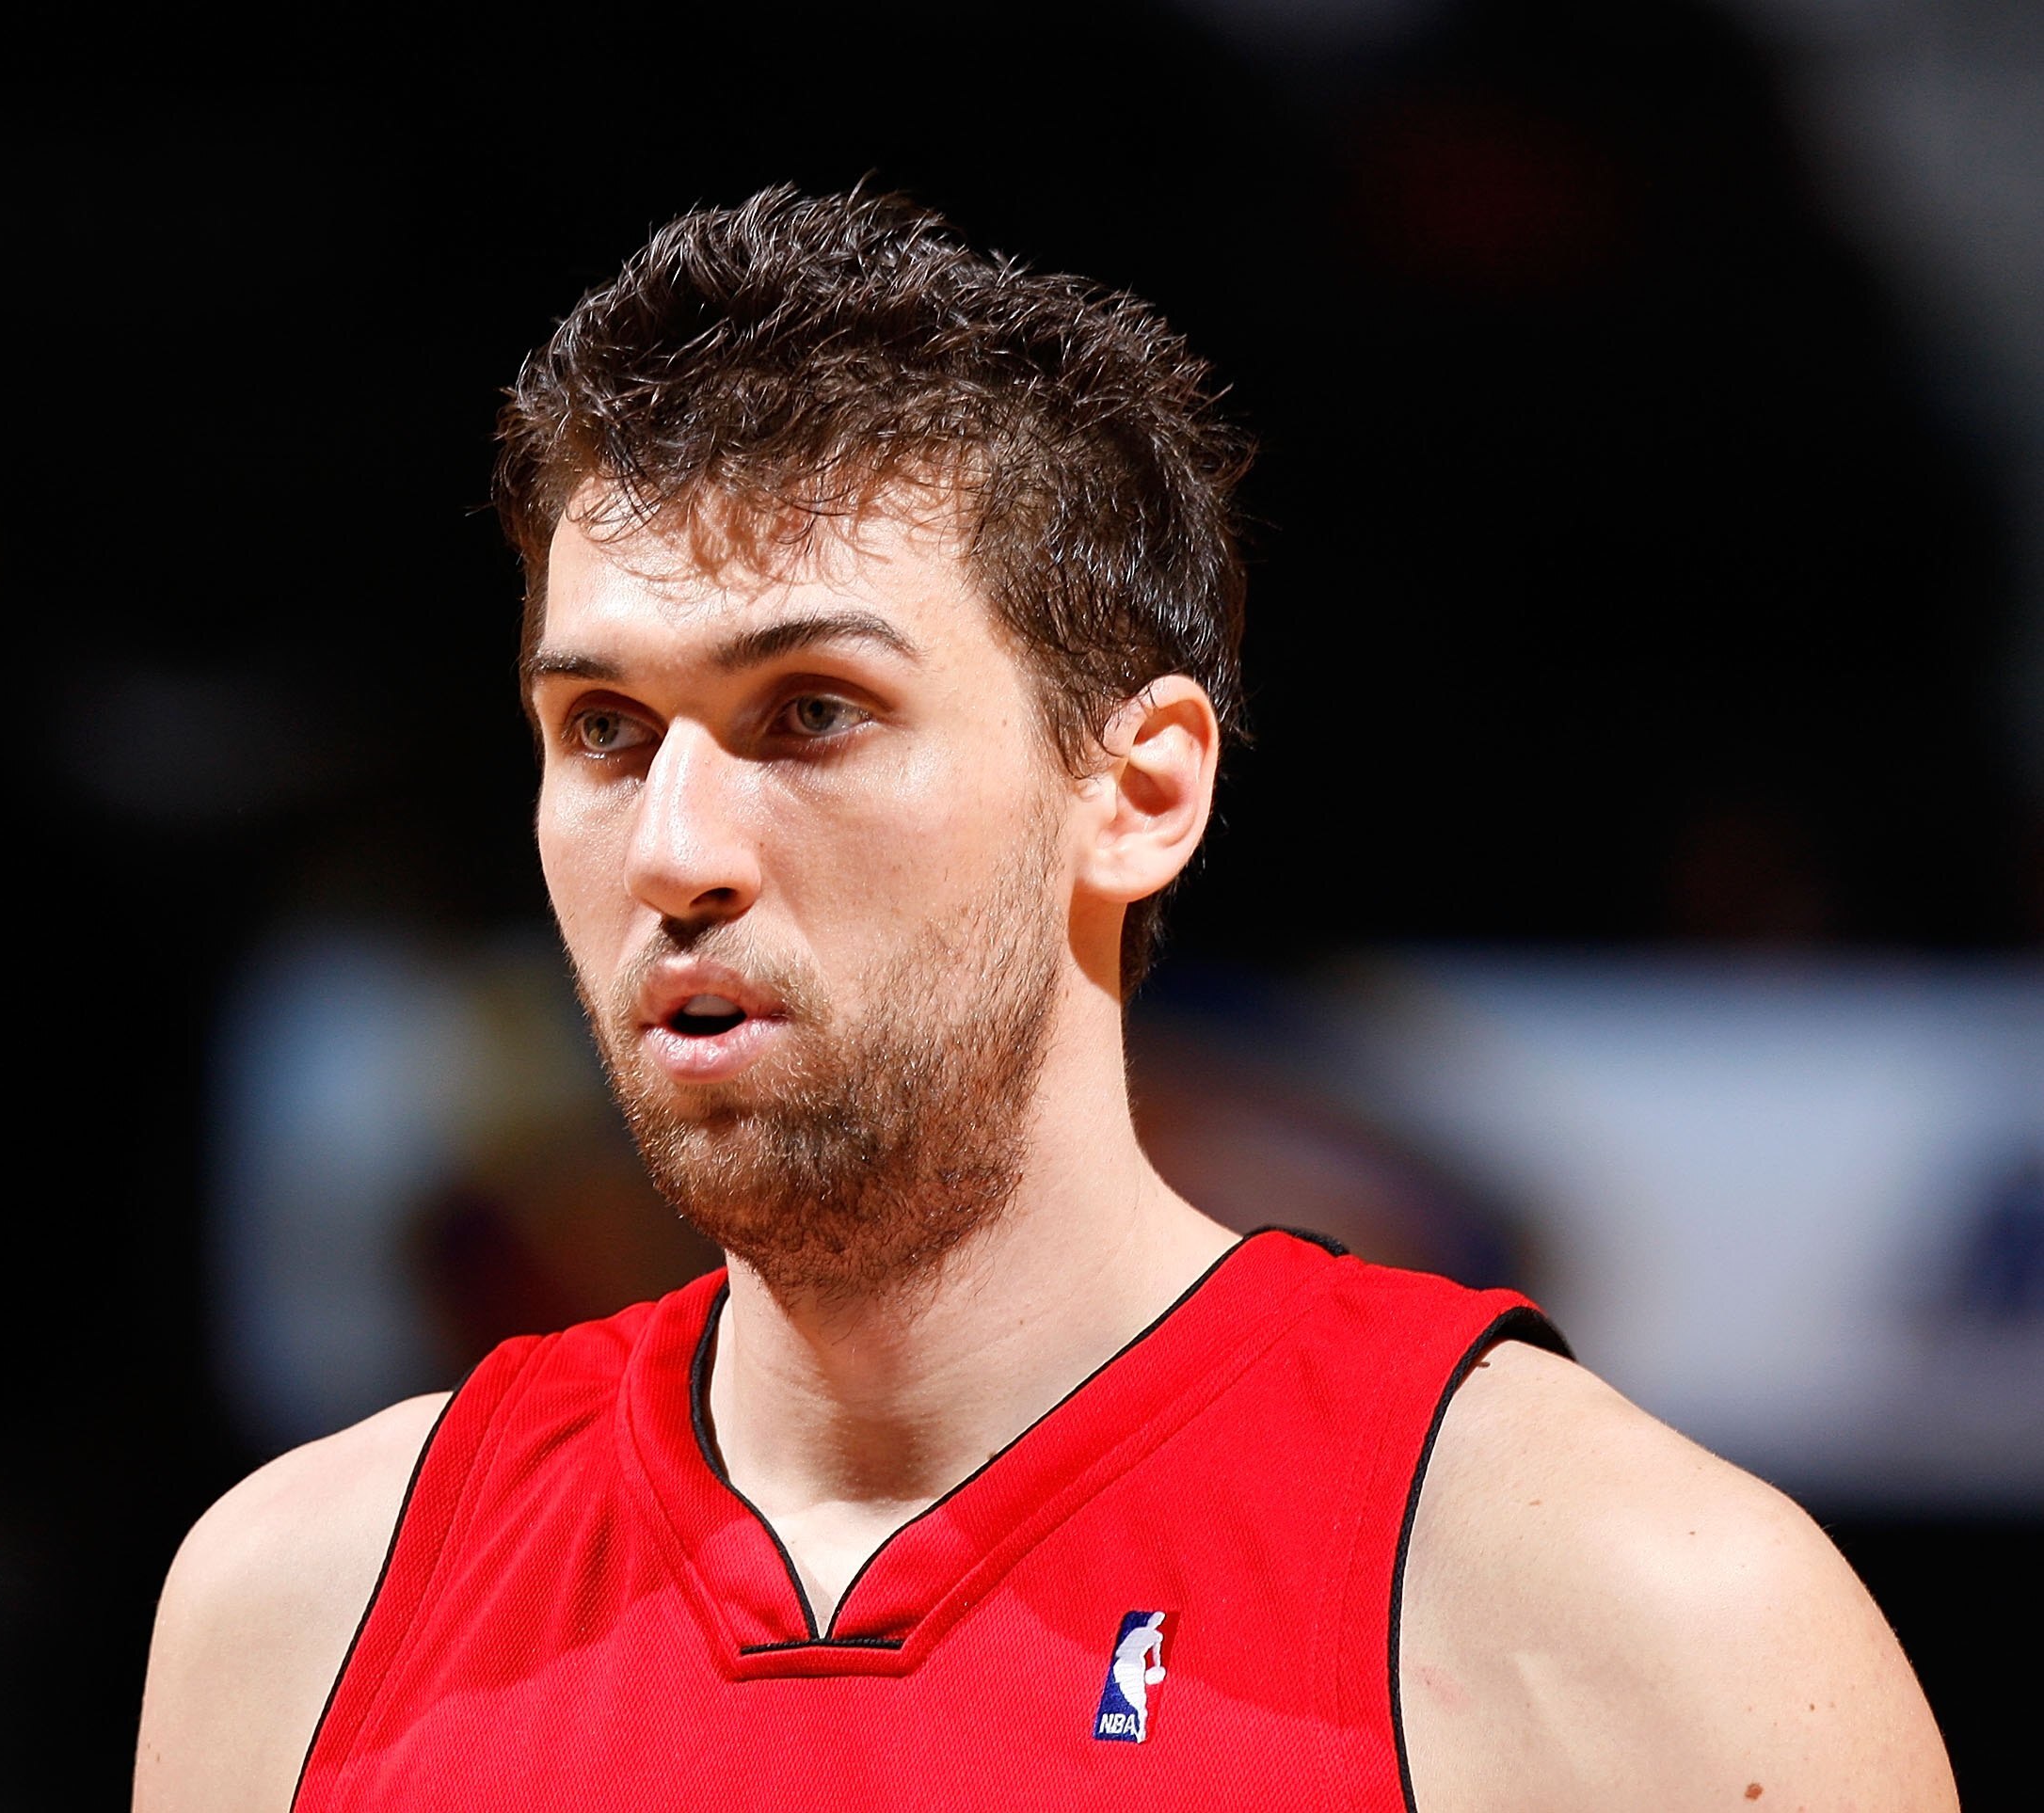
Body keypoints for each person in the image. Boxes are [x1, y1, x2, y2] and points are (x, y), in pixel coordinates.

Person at [135, 187, 1955, 1810]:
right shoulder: (297, 1612)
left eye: (813, 714)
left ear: (1141, 789)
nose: (676, 846)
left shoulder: (1632, 1622)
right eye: (603, 732)